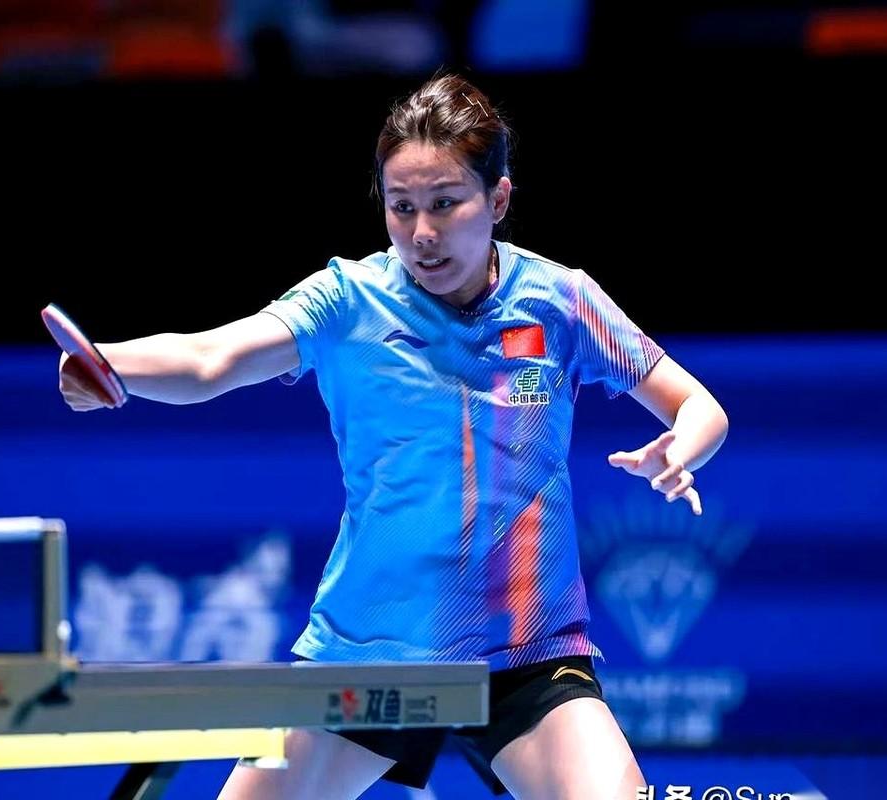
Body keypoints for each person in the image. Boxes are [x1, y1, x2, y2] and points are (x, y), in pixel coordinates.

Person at [58, 73, 729, 800]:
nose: (423, 233)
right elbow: (210, 359)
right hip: (370, 654)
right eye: (401, 207)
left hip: (525, 654)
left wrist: (682, 445)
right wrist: (111, 364)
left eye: (446, 203)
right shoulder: (348, 300)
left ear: (498, 199)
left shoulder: (560, 299)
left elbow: (698, 405)